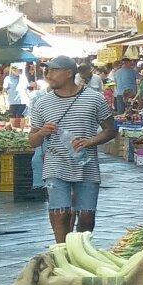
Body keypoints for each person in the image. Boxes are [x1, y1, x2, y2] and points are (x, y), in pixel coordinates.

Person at [27, 57, 117, 245]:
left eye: (53, 70)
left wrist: (90, 141)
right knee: (61, 214)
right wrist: (42, 132)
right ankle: (63, 253)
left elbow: (111, 130)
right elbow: (32, 141)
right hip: (55, 164)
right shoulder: (41, 103)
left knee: (86, 217)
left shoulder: (94, 98)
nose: (48, 75)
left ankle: (81, 250)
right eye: (47, 71)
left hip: (87, 164)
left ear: (69, 73)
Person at [2, 65, 28, 129]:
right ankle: (13, 130)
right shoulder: (8, 78)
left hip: (23, 100)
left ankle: (22, 130)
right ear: (13, 70)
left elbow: (27, 87)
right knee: (13, 116)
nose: (19, 71)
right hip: (12, 100)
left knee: (21, 116)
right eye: (18, 70)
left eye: (20, 70)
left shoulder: (23, 78)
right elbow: (4, 89)